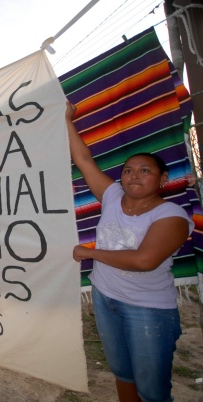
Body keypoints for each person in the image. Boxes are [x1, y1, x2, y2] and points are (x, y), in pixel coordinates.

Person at [66, 102, 193, 402]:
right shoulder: (112, 196)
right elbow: (84, 160)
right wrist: (65, 120)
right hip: (105, 298)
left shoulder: (171, 215)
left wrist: (91, 253)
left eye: (144, 171)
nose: (134, 176)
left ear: (162, 179)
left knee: (152, 390)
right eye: (128, 171)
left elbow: (144, 260)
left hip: (146, 309)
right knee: (123, 374)